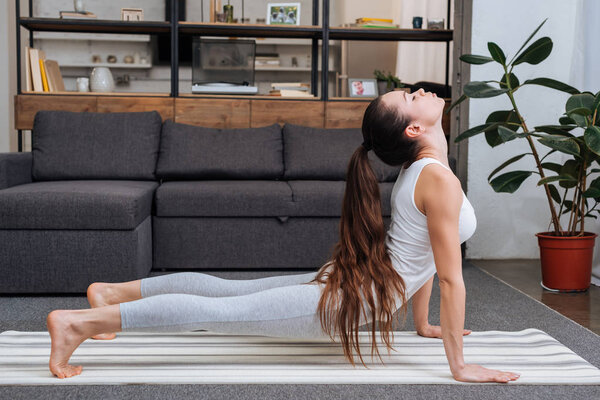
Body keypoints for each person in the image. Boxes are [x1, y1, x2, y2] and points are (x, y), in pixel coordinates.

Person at [46, 88, 521, 384]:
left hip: (354, 284)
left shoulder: (424, 170)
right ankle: (76, 325)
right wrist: (458, 365)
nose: (419, 90)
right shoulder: (436, 176)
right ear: (415, 127)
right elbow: (449, 278)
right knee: (221, 310)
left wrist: (424, 326)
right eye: (411, 95)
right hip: (349, 300)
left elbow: (417, 255)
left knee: (227, 293)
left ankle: (111, 294)